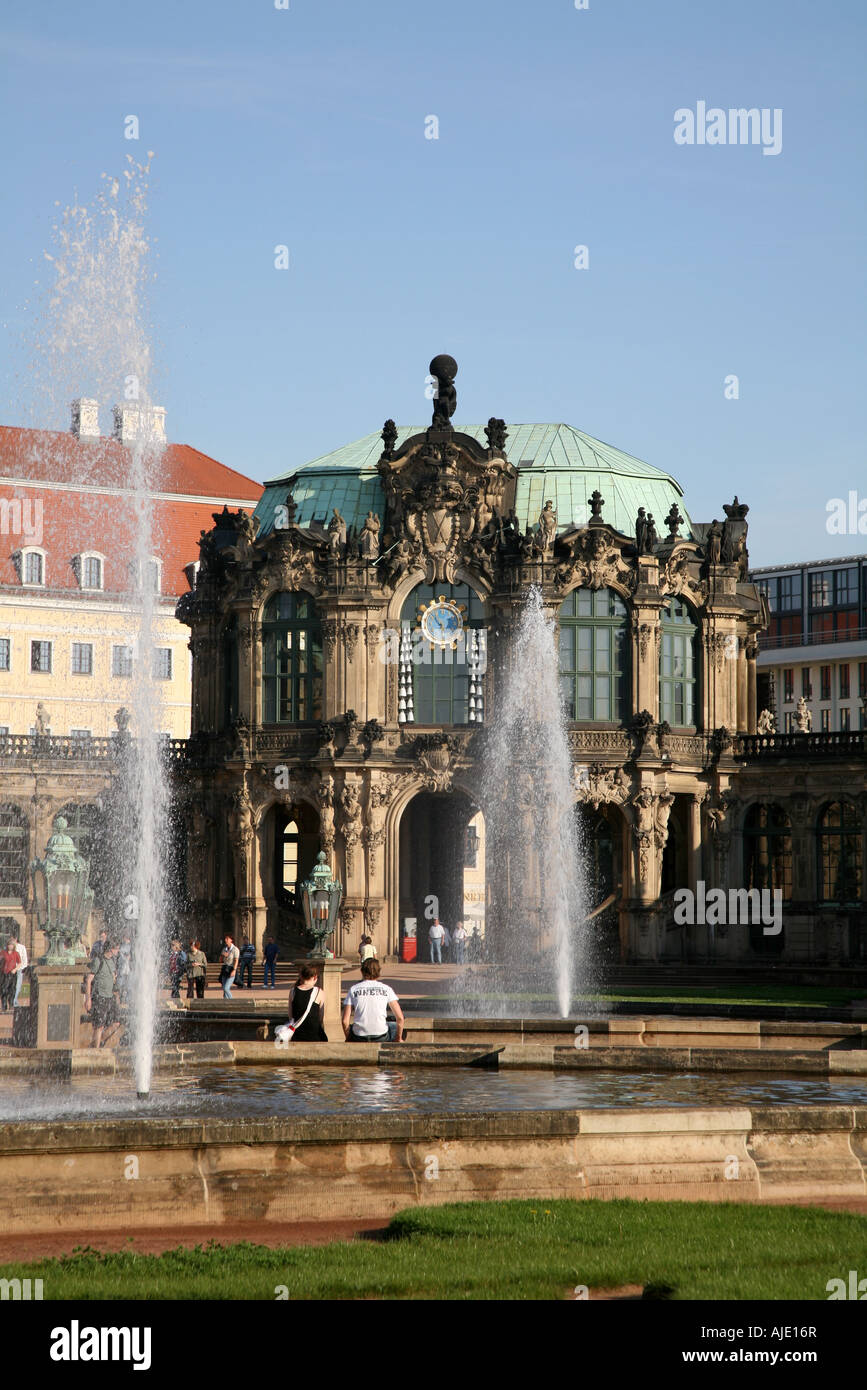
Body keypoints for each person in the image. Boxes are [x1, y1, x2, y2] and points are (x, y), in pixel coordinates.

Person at [342, 958, 405, 1043]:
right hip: (381, 1036)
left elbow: (345, 1021)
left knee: (353, 1027)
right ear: (379, 972)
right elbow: (400, 1018)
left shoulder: (353, 989)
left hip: (359, 1036)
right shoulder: (386, 989)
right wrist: (398, 1038)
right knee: (396, 1027)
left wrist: (348, 1038)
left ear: (362, 971)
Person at [84, 939, 123, 1049]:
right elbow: (88, 980)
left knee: (116, 1023)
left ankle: (97, 1041)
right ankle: (95, 1052)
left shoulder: (112, 961)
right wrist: (88, 999)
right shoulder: (98, 961)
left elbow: (113, 979)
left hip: (110, 997)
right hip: (100, 997)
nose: (118, 950)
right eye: (117, 948)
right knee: (99, 1026)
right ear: (111, 949)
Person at [285, 964, 328, 1041]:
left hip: (297, 1033)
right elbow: (321, 1016)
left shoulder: (293, 991)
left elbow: (290, 1014)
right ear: (315, 977)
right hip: (314, 1034)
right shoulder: (319, 992)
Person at [0, 938, 20, 1012]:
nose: (10, 946)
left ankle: (11, 1004)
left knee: (12, 989)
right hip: (4, 973)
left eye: (11, 945)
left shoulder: (16, 953)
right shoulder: (3, 952)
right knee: (3, 989)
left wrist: (15, 969)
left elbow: (19, 963)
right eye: (9, 945)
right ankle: (4, 1006)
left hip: (12, 973)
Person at [10, 934, 27, 1008]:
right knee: (11, 986)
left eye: (12, 939)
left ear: (15, 939)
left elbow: (24, 958)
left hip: (19, 969)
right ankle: (13, 1000)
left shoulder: (21, 947)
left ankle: (14, 1000)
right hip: (11, 969)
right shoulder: (9, 947)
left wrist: (23, 967)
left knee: (18, 986)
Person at [219, 934, 239, 999]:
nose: (225, 940)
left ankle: (232, 1001)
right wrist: (223, 955)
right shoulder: (224, 949)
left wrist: (234, 970)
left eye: (227, 939)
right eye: (225, 939)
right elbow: (220, 960)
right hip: (225, 969)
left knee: (226, 988)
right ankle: (225, 1003)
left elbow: (236, 961)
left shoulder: (235, 949)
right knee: (224, 989)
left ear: (231, 940)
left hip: (231, 969)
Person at [116, 932, 132, 1006]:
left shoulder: (132, 946)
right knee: (121, 986)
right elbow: (119, 957)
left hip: (128, 969)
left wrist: (130, 958)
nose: (125, 939)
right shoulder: (121, 947)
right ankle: (122, 1002)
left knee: (128, 987)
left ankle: (127, 1002)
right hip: (122, 969)